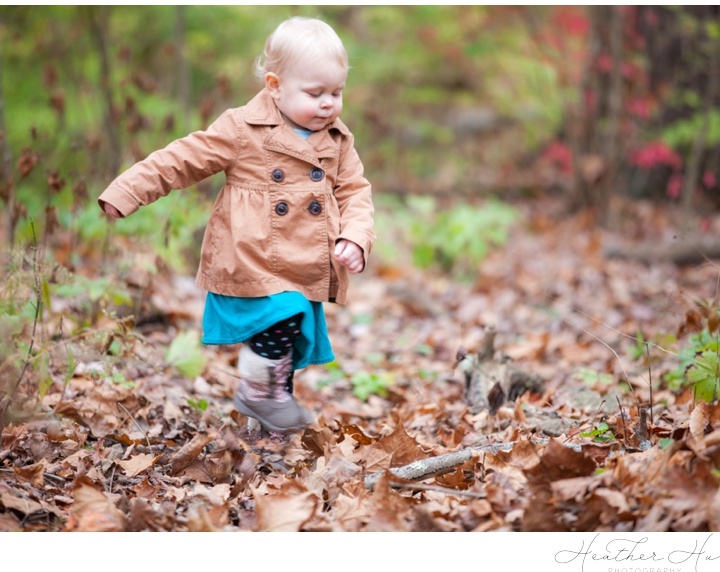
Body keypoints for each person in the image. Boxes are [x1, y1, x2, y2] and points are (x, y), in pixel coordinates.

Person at [98, 16, 375, 433]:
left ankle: (267, 422)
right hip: (253, 256)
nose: (328, 104)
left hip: (304, 261)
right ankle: (258, 394)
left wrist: (355, 236)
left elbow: (356, 192)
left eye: (336, 92)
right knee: (285, 314)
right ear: (275, 86)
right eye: (315, 93)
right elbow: (183, 158)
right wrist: (126, 191)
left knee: (289, 340)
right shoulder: (243, 128)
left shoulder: (338, 140)